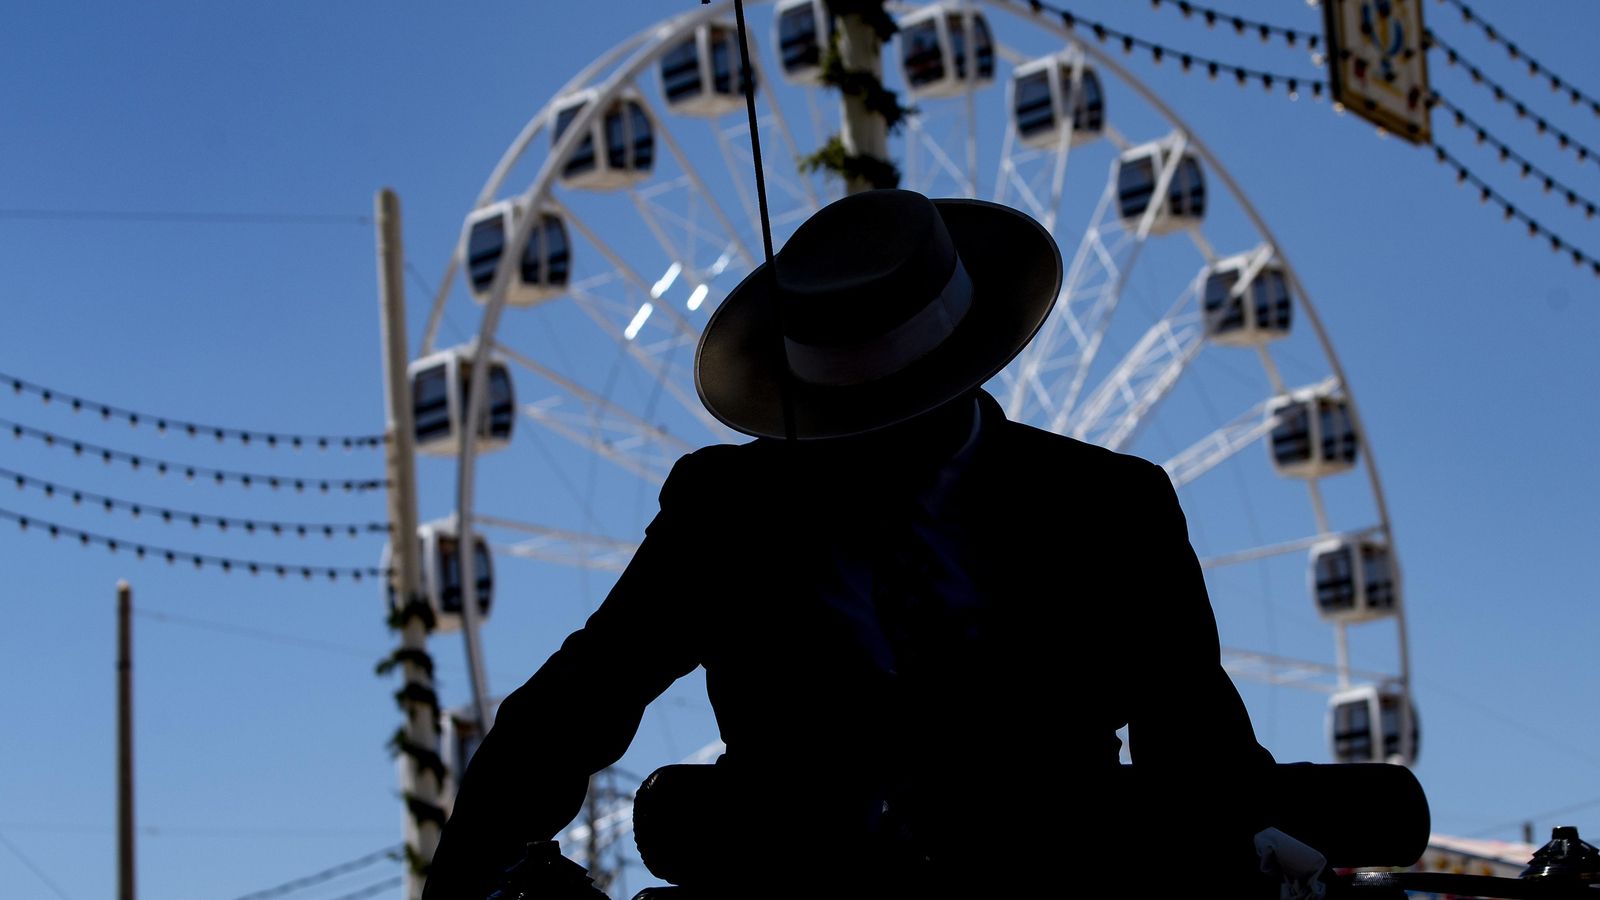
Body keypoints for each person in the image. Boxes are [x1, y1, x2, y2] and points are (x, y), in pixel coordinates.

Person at [422, 190, 1278, 899]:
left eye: (893, 422)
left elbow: (1198, 753)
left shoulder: (1108, 506)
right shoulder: (732, 506)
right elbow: (577, 703)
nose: (867, 455)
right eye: (849, 427)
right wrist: (476, 879)